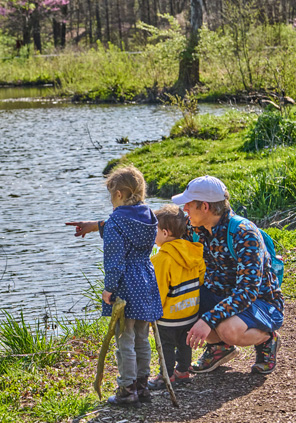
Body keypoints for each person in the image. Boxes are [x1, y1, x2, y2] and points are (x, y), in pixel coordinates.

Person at [66, 166, 163, 405]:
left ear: (119, 194)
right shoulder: (149, 215)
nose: (110, 200)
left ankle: (127, 390)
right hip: (146, 280)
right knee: (142, 337)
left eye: (111, 195)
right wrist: (97, 225)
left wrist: (108, 289)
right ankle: (143, 386)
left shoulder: (116, 222)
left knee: (124, 339)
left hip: (125, 286)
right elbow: (127, 230)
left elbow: (115, 262)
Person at [171, 175, 284, 374]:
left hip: (260, 303)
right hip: (219, 296)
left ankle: (267, 339)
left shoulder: (244, 233)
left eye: (188, 204)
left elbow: (247, 292)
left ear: (205, 207)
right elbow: (161, 230)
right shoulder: (194, 228)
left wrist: (208, 320)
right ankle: (219, 348)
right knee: (180, 304)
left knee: (228, 330)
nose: (184, 209)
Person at [147, 204, 205, 390]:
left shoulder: (160, 259)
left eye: (154, 230)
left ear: (164, 232)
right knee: (185, 343)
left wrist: (152, 313)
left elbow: (159, 291)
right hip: (190, 311)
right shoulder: (194, 252)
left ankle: (167, 375)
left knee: (166, 346)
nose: (152, 235)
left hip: (169, 316)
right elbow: (201, 277)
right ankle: (183, 371)